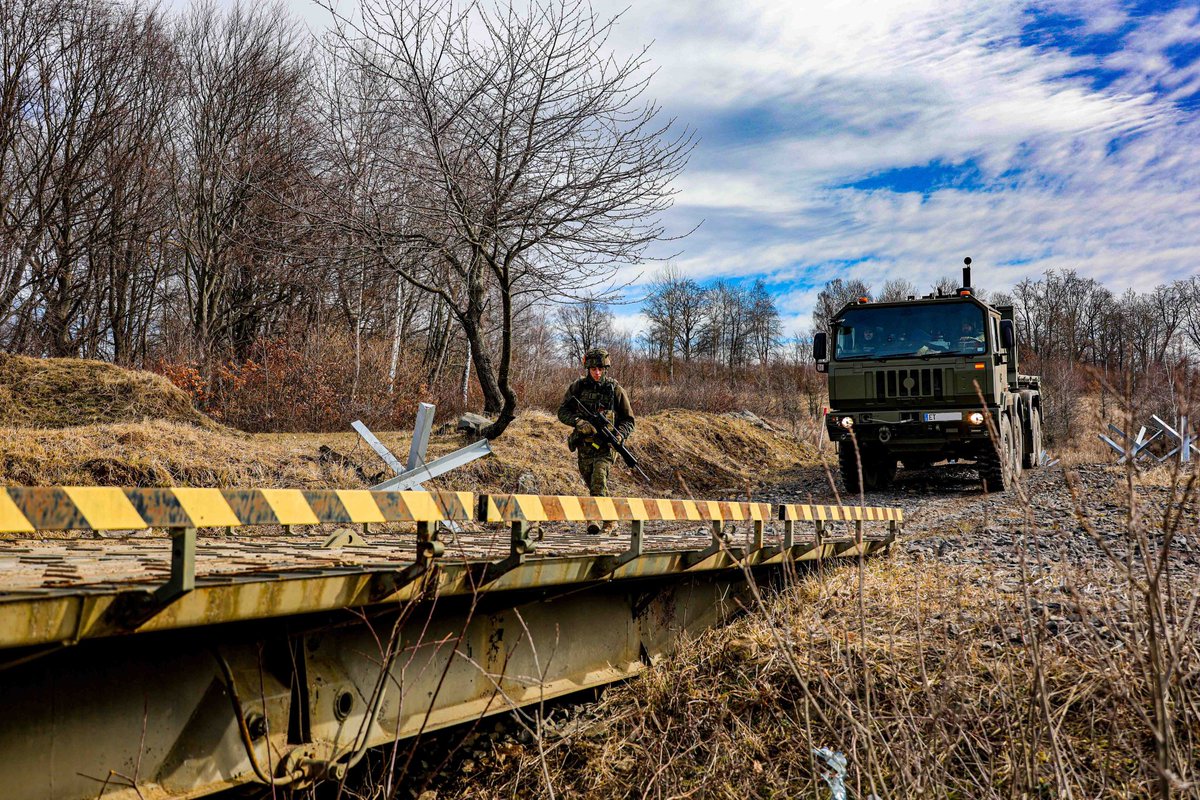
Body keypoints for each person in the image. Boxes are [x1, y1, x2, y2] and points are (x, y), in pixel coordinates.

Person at [556, 347, 635, 534]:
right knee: (593, 484)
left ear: (605, 368)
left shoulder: (615, 390)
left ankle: (595, 520)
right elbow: (562, 411)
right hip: (585, 446)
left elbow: (628, 420)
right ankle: (611, 520)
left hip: (606, 447)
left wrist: (620, 434)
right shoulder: (578, 387)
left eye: (600, 369)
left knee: (599, 479)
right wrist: (578, 422)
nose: (597, 373)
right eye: (593, 369)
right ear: (588, 369)